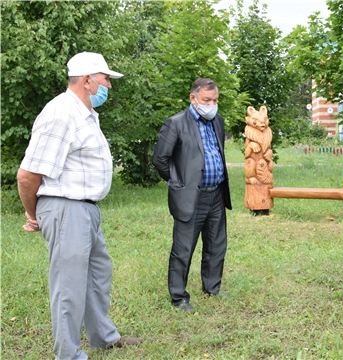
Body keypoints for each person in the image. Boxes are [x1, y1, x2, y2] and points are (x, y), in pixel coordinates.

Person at [17, 52, 142, 359]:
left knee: (98, 272)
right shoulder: (61, 113)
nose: (108, 87)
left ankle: (103, 336)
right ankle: (68, 354)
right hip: (65, 208)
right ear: (87, 81)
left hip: (85, 208)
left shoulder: (85, 113)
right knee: (69, 285)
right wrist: (33, 215)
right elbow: (28, 174)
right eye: (105, 79)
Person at [152, 78, 232, 312]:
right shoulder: (175, 123)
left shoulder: (218, 121)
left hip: (216, 193)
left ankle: (212, 287)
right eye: (207, 100)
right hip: (191, 197)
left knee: (216, 244)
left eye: (215, 100)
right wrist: (179, 182)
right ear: (193, 98)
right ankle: (179, 297)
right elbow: (160, 159)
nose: (212, 104)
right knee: (183, 248)